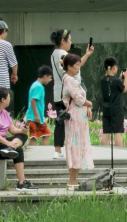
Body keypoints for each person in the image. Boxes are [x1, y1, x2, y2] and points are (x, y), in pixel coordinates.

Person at [50, 29, 95, 159]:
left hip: (60, 93)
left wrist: (87, 54)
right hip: (68, 95)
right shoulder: (62, 54)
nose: (71, 42)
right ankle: (61, 151)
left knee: (62, 121)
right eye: (69, 39)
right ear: (63, 41)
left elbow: (76, 65)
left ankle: (59, 150)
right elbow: (73, 68)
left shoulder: (55, 53)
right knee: (67, 122)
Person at [61, 53, 94, 190]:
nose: (78, 68)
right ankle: (71, 180)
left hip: (79, 117)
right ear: (68, 67)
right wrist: (89, 103)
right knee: (75, 145)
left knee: (78, 145)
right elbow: (79, 99)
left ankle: (74, 179)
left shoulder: (71, 78)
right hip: (75, 117)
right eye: (76, 66)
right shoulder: (69, 79)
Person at [0, 87, 37, 191]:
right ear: (3, 99)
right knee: (18, 149)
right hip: (2, 143)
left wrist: (22, 130)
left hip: (4, 145)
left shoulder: (5, 113)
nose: (10, 99)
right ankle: (10, 148)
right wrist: (8, 143)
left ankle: (21, 183)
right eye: (8, 96)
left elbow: (12, 130)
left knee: (23, 137)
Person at [100, 57, 127, 147]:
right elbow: (124, 89)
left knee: (106, 132)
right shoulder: (116, 81)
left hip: (106, 109)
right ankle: (119, 155)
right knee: (118, 132)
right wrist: (126, 77)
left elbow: (112, 87)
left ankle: (103, 153)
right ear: (113, 68)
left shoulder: (103, 80)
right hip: (116, 110)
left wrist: (120, 78)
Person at [25, 66, 53, 145]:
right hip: (35, 117)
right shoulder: (39, 87)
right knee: (46, 134)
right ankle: (42, 153)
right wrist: (36, 116)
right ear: (45, 76)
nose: (50, 80)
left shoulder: (35, 85)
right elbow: (33, 101)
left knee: (34, 136)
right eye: (49, 78)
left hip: (32, 116)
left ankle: (34, 153)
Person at [0, 20, 18, 114]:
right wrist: (14, 75)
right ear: (3, 31)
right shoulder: (6, 45)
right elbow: (14, 64)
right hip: (3, 85)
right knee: (6, 112)